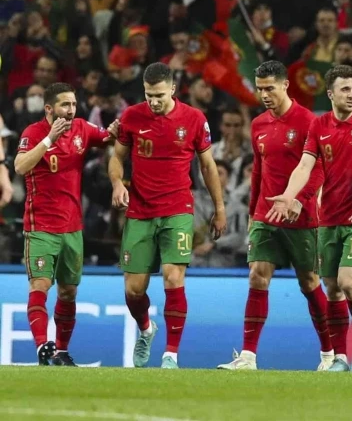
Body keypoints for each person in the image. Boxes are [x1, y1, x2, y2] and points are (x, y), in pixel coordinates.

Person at [109, 63, 227, 369]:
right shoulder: (132, 117)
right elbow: (117, 158)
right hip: (140, 211)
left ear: (173, 90)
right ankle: (147, 329)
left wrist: (219, 208)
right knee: (133, 290)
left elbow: (208, 166)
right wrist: (117, 184)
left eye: (159, 95)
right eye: (149, 95)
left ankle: (171, 355)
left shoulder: (194, 119)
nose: (153, 101)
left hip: (177, 209)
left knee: (173, 278)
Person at [267, 65, 352, 372]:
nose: (351, 95)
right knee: (332, 288)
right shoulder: (319, 125)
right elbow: (305, 166)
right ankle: (341, 356)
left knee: (349, 282)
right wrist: (289, 195)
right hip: (329, 216)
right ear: (330, 93)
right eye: (345, 89)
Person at [216, 61, 332, 371]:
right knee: (257, 274)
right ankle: (248, 356)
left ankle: (329, 354)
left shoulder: (309, 122)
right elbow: (258, 171)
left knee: (309, 282)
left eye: (270, 88)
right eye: (260, 89)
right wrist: (253, 211)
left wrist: (300, 200)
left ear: (285, 86)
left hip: (301, 217)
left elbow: (319, 169)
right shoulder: (258, 124)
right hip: (266, 215)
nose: (265, 94)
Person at [15, 82, 118, 366]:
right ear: (49, 109)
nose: (71, 110)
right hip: (40, 226)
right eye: (65, 105)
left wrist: (120, 128)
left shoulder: (82, 129)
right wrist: (49, 139)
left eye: (73, 104)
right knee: (40, 284)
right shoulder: (33, 133)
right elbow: (20, 166)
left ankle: (61, 351)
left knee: (68, 292)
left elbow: (110, 136)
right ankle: (42, 346)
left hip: (73, 228)